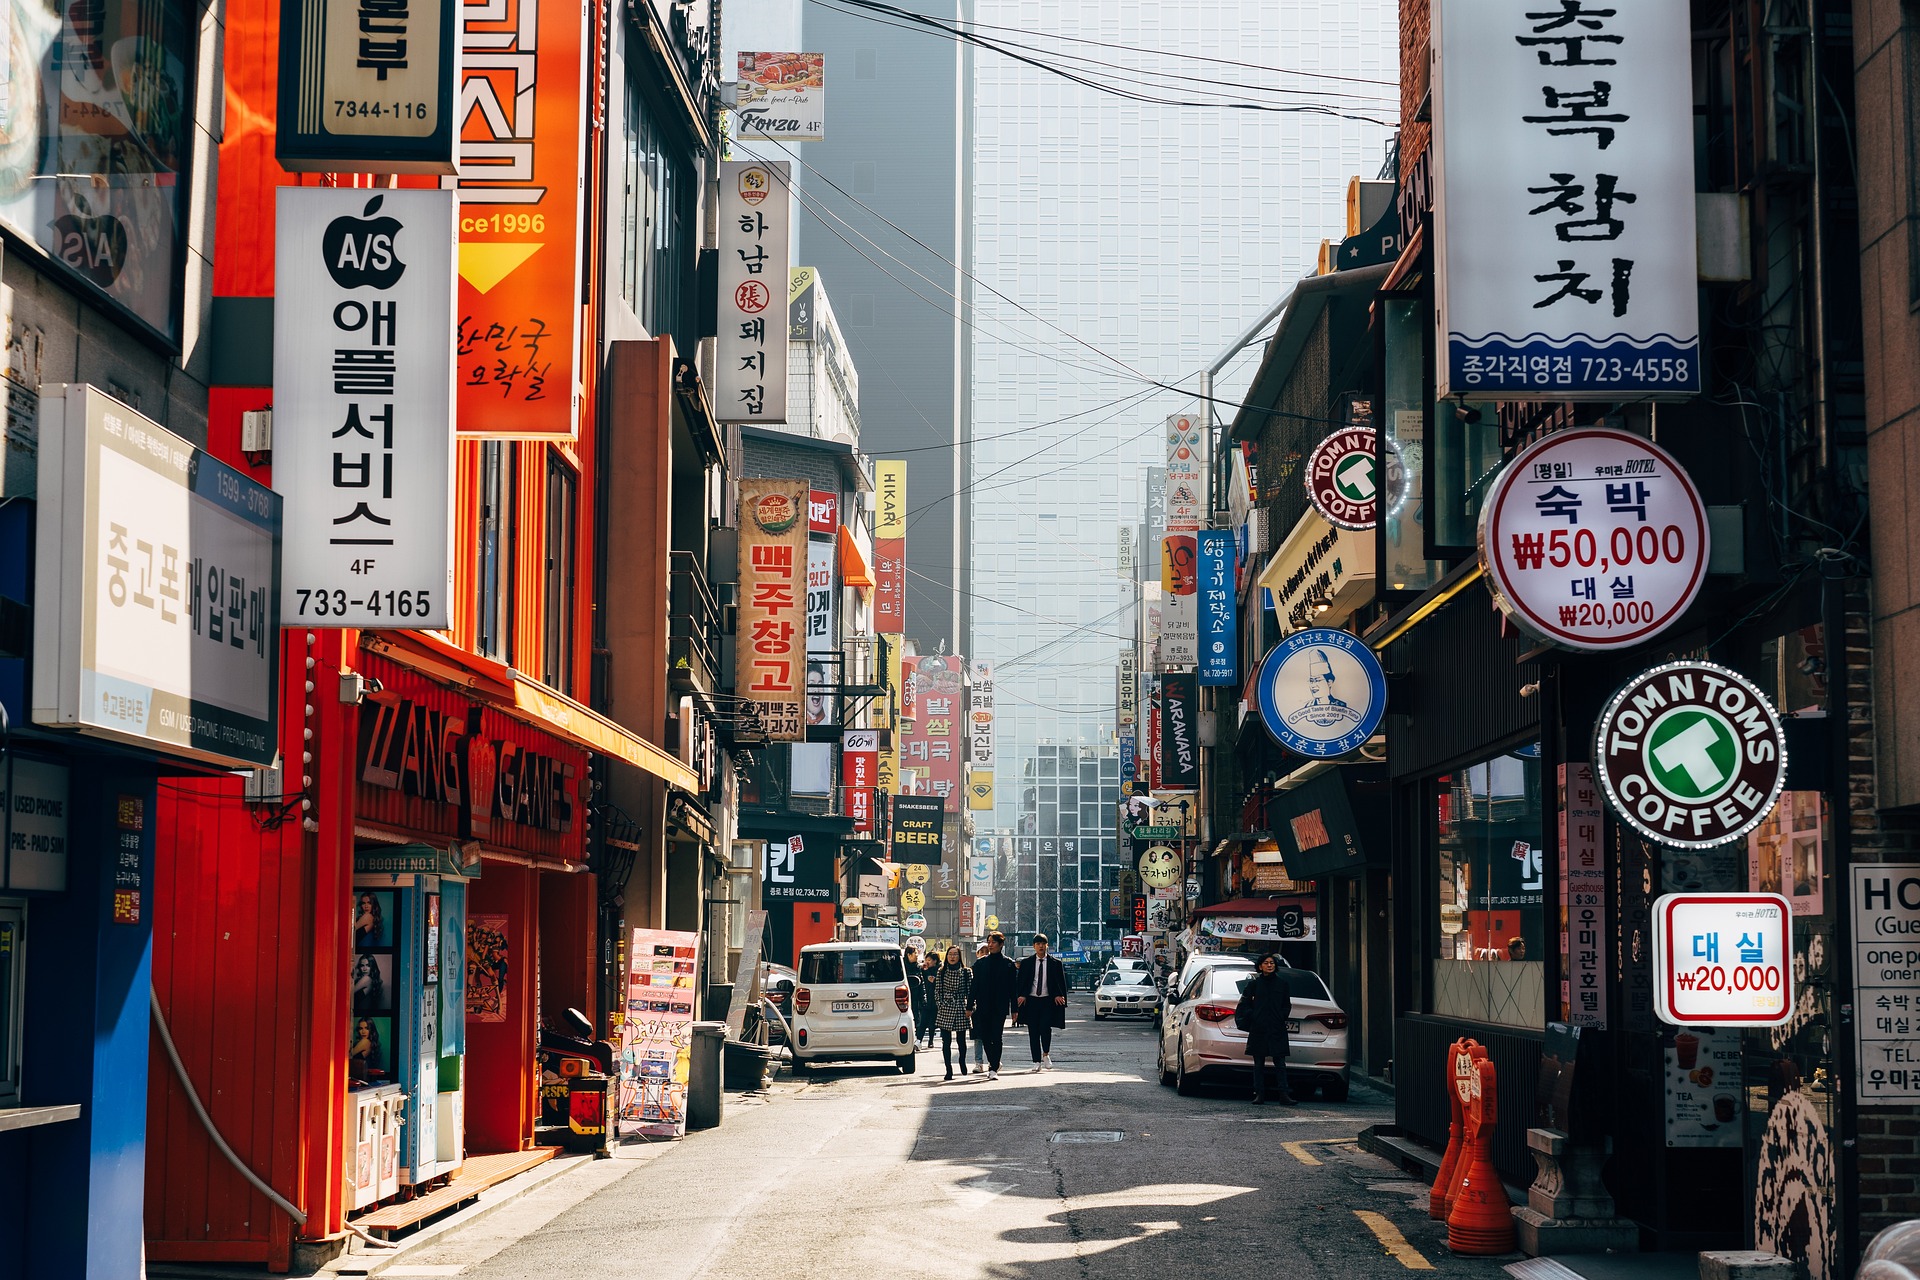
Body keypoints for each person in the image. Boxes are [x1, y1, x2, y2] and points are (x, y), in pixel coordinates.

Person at [1236, 952, 1295, 1104]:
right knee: (1258, 1063)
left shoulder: (1282, 984)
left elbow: (1286, 1005)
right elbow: (1244, 1005)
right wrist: (1254, 1015)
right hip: (1259, 1028)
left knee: (1280, 1063)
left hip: (1277, 1028)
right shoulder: (1254, 985)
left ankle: (1284, 1094)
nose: (1270, 965)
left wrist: (1281, 1016)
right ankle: (1259, 1094)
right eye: (1266, 963)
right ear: (1260, 966)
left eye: (1272, 963)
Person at [1012, 934, 1069, 1071]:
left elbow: (1060, 983)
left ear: (1047, 945)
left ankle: (1046, 1054)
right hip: (1031, 1001)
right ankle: (1036, 1060)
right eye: (1038, 944)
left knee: (1045, 1028)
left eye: (1043, 943)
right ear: (1034, 946)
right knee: (1033, 1031)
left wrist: (1059, 995)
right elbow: (1021, 982)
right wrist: (1021, 996)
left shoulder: (1055, 963)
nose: (1041, 946)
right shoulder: (1027, 963)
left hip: (1047, 1001)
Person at [968, 931, 1019, 1080]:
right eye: (989, 942)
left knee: (996, 1037)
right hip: (983, 1006)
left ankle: (993, 1068)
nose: (990, 945)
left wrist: (1015, 1009)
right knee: (984, 1036)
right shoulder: (981, 963)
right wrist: (969, 1006)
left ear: (1001, 944)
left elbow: (1013, 989)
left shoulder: (1008, 964)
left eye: (993, 942)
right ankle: (994, 1062)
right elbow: (974, 986)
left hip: (1000, 1006)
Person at [932, 944, 973, 1080]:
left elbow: (970, 991)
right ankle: (948, 1069)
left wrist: (970, 1007)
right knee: (946, 1041)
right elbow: (937, 990)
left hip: (961, 1006)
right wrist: (940, 1004)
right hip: (946, 1007)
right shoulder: (941, 971)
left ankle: (962, 1061)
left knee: (961, 1040)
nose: (952, 957)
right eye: (950, 954)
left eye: (955, 954)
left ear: (959, 956)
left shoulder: (966, 972)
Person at [972, 943, 992, 1069]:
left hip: (991, 1007)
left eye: (986, 951)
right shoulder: (972, 969)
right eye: (981, 951)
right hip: (976, 1008)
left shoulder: (993, 968)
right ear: (977, 954)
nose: (984, 953)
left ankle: (993, 1061)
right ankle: (978, 1063)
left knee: (991, 1036)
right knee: (978, 1037)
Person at [919, 953, 941, 1046]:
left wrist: (935, 981)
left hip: (935, 1000)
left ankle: (931, 1041)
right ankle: (919, 1041)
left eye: (929, 960)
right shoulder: (924, 970)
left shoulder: (940, 970)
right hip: (926, 999)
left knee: (932, 1022)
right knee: (923, 1021)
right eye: (926, 960)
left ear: (935, 961)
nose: (927, 962)